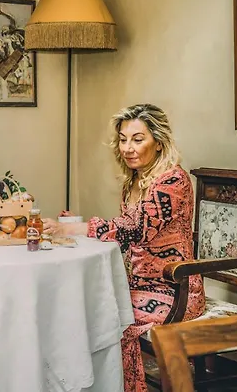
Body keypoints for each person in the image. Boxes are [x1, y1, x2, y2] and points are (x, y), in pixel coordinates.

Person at [42, 103, 205, 392]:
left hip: (174, 289)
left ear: (158, 142)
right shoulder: (133, 181)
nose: (128, 148)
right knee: (80, 306)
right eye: (123, 139)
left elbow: (134, 229)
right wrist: (79, 226)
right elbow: (125, 233)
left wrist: (71, 229)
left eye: (137, 139)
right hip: (137, 283)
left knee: (109, 318)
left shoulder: (173, 181)